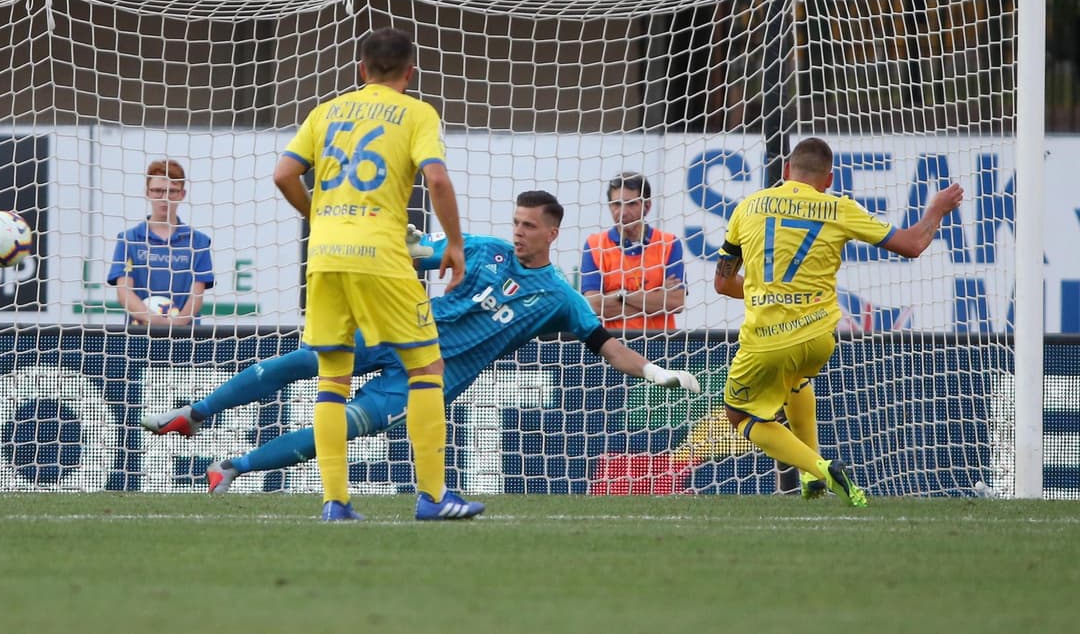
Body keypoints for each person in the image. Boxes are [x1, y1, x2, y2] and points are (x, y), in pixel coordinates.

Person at [141, 190, 701, 494]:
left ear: (552, 233)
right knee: (302, 360)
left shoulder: (560, 297)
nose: (518, 231)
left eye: (529, 225)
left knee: (343, 427)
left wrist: (657, 373)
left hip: (432, 378)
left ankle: (233, 467)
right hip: (398, 331)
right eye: (516, 222)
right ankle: (195, 413)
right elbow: (421, 252)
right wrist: (409, 243)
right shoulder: (482, 249)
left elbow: (606, 344)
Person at [273, 27, 472, 521]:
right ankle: (432, 497)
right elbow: (437, 178)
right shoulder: (417, 112)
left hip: (324, 256)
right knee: (426, 368)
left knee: (332, 377)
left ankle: (335, 503)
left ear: (361, 69)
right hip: (380, 254)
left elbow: (283, 174)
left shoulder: (325, 111)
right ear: (411, 72)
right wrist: (454, 243)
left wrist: (319, 217)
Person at [713, 137, 964, 507]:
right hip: (819, 338)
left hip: (766, 339)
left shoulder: (747, 207)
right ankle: (811, 479)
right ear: (828, 180)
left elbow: (722, 283)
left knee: (739, 415)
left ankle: (821, 468)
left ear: (786, 171)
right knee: (795, 378)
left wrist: (765, 292)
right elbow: (913, 244)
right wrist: (937, 209)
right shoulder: (839, 208)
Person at [107, 159, 214, 327]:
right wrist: (154, 320)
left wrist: (174, 325)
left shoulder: (198, 242)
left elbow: (197, 297)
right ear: (147, 192)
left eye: (172, 191)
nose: (164, 198)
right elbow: (124, 292)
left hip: (185, 336)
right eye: (158, 191)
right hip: (139, 336)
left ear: (182, 194)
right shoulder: (129, 239)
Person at [581, 172, 687, 331]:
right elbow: (594, 306)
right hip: (611, 342)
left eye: (631, 204)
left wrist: (621, 295)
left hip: (659, 342)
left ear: (647, 206)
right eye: (616, 204)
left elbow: (675, 302)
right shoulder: (595, 245)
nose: (623, 212)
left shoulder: (669, 243)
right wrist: (655, 298)